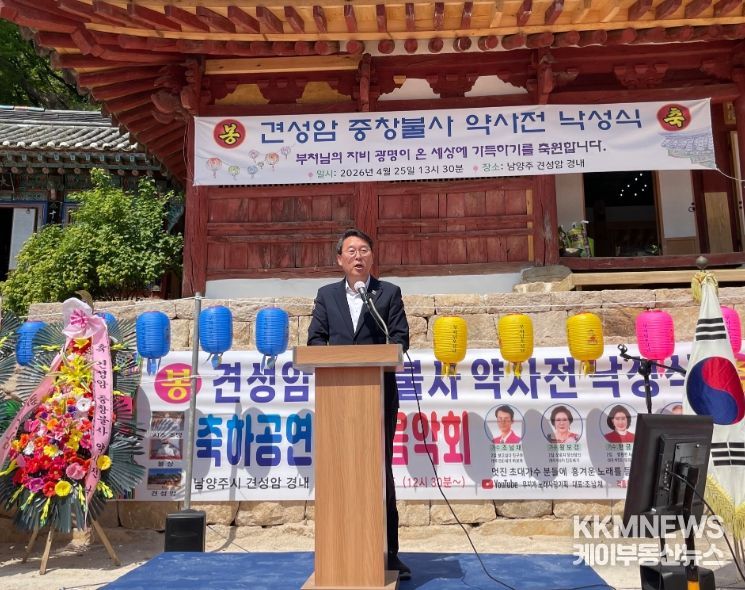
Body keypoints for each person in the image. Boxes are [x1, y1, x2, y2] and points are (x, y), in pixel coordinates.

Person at [307, 228, 411, 580]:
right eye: (351, 251)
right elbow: (315, 340)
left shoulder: (388, 293)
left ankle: (389, 553)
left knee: (380, 469)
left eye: (364, 250)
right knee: (338, 471)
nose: (358, 256)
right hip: (338, 398)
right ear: (340, 259)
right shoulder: (326, 295)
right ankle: (338, 550)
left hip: (378, 395)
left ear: (371, 257)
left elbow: (400, 339)